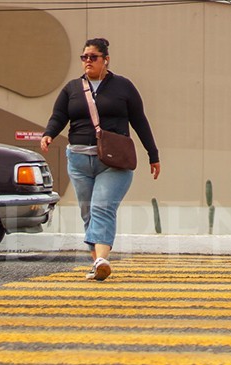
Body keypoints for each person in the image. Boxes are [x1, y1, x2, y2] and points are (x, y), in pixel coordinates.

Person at [40, 37, 161, 281]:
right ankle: (97, 263)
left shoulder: (123, 87)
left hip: (113, 162)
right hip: (78, 159)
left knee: (102, 208)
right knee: (88, 212)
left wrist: (153, 154)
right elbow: (59, 116)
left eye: (93, 57)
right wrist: (48, 134)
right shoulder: (72, 89)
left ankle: (103, 259)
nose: (87, 62)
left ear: (106, 60)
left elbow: (139, 121)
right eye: (84, 57)